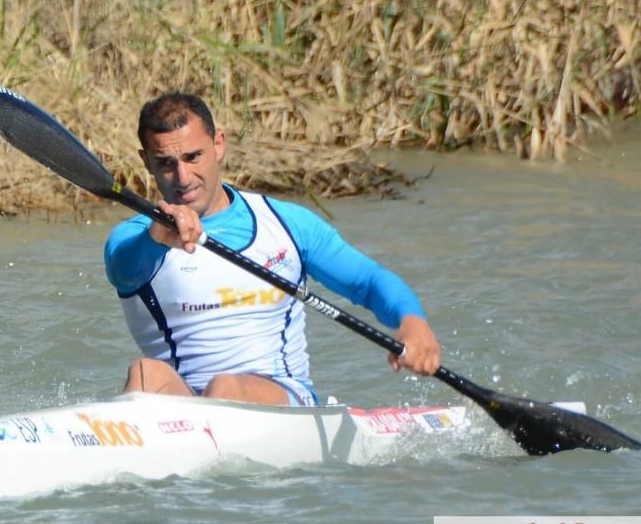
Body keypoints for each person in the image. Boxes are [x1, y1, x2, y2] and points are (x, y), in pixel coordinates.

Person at [104, 91, 440, 406]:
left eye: (193, 157)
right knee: (145, 373)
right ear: (146, 162)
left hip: (282, 398)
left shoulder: (285, 224)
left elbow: (366, 281)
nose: (183, 176)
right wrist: (156, 238)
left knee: (225, 387)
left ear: (219, 145)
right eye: (165, 163)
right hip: (185, 404)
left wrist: (411, 321)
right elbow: (124, 269)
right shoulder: (135, 239)